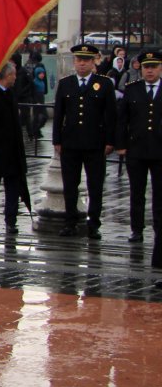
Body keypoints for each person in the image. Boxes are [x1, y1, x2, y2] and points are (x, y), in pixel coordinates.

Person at [52, 44, 116, 240]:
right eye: (79, 60)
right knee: (70, 185)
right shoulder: (66, 84)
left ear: (93, 62)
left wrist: (110, 141)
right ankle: (70, 222)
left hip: (95, 143)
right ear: (74, 62)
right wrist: (57, 140)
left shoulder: (104, 84)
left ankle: (93, 224)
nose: (82, 64)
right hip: (70, 142)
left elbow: (110, 115)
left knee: (95, 185)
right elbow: (59, 114)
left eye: (86, 60)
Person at [115, 50, 162, 258]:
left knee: (159, 194)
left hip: (159, 150)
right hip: (136, 149)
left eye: (153, 67)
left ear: (160, 68)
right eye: (146, 67)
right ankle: (137, 229)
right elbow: (122, 119)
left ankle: (159, 229)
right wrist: (121, 144)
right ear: (141, 69)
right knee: (136, 192)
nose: (149, 71)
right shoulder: (132, 89)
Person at [0, 61, 27, 234]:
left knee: (13, 188)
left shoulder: (10, 93)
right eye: (13, 75)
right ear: (7, 75)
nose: (15, 78)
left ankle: (11, 220)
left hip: (12, 152)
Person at [27, 51, 50, 138]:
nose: (42, 75)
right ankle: (35, 130)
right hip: (37, 95)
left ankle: (35, 130)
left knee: (37, 115)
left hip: (38, 94)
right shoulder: (39, 66)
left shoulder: (29, 65)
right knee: (39, 115)